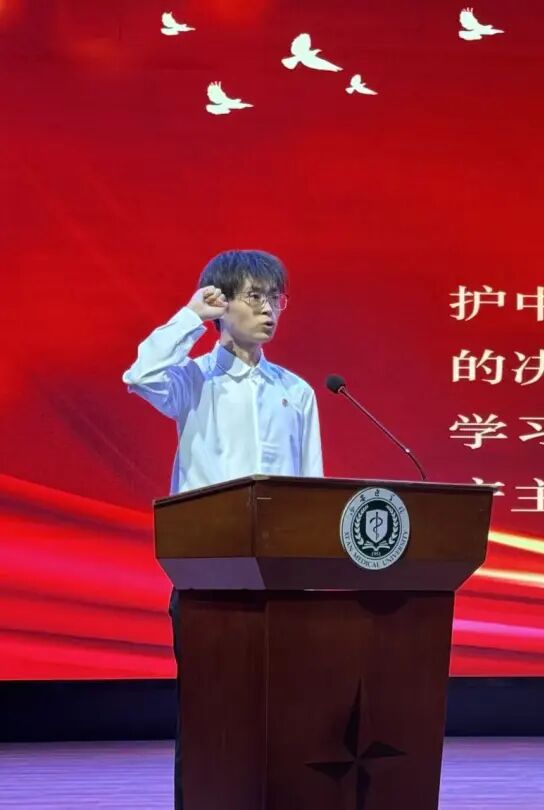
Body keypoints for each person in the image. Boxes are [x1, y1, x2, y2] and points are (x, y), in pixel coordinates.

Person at [122, 249, 324, 808]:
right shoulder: (193, 380)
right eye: (254, 297)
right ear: (221, 303)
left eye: (276, 298)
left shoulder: (297, 391)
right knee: (207, 715)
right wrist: (190, 318)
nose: (269, 310)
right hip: (208, 575)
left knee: (284, 716)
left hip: (282, 582)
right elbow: (139, 375)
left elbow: (311, 489)